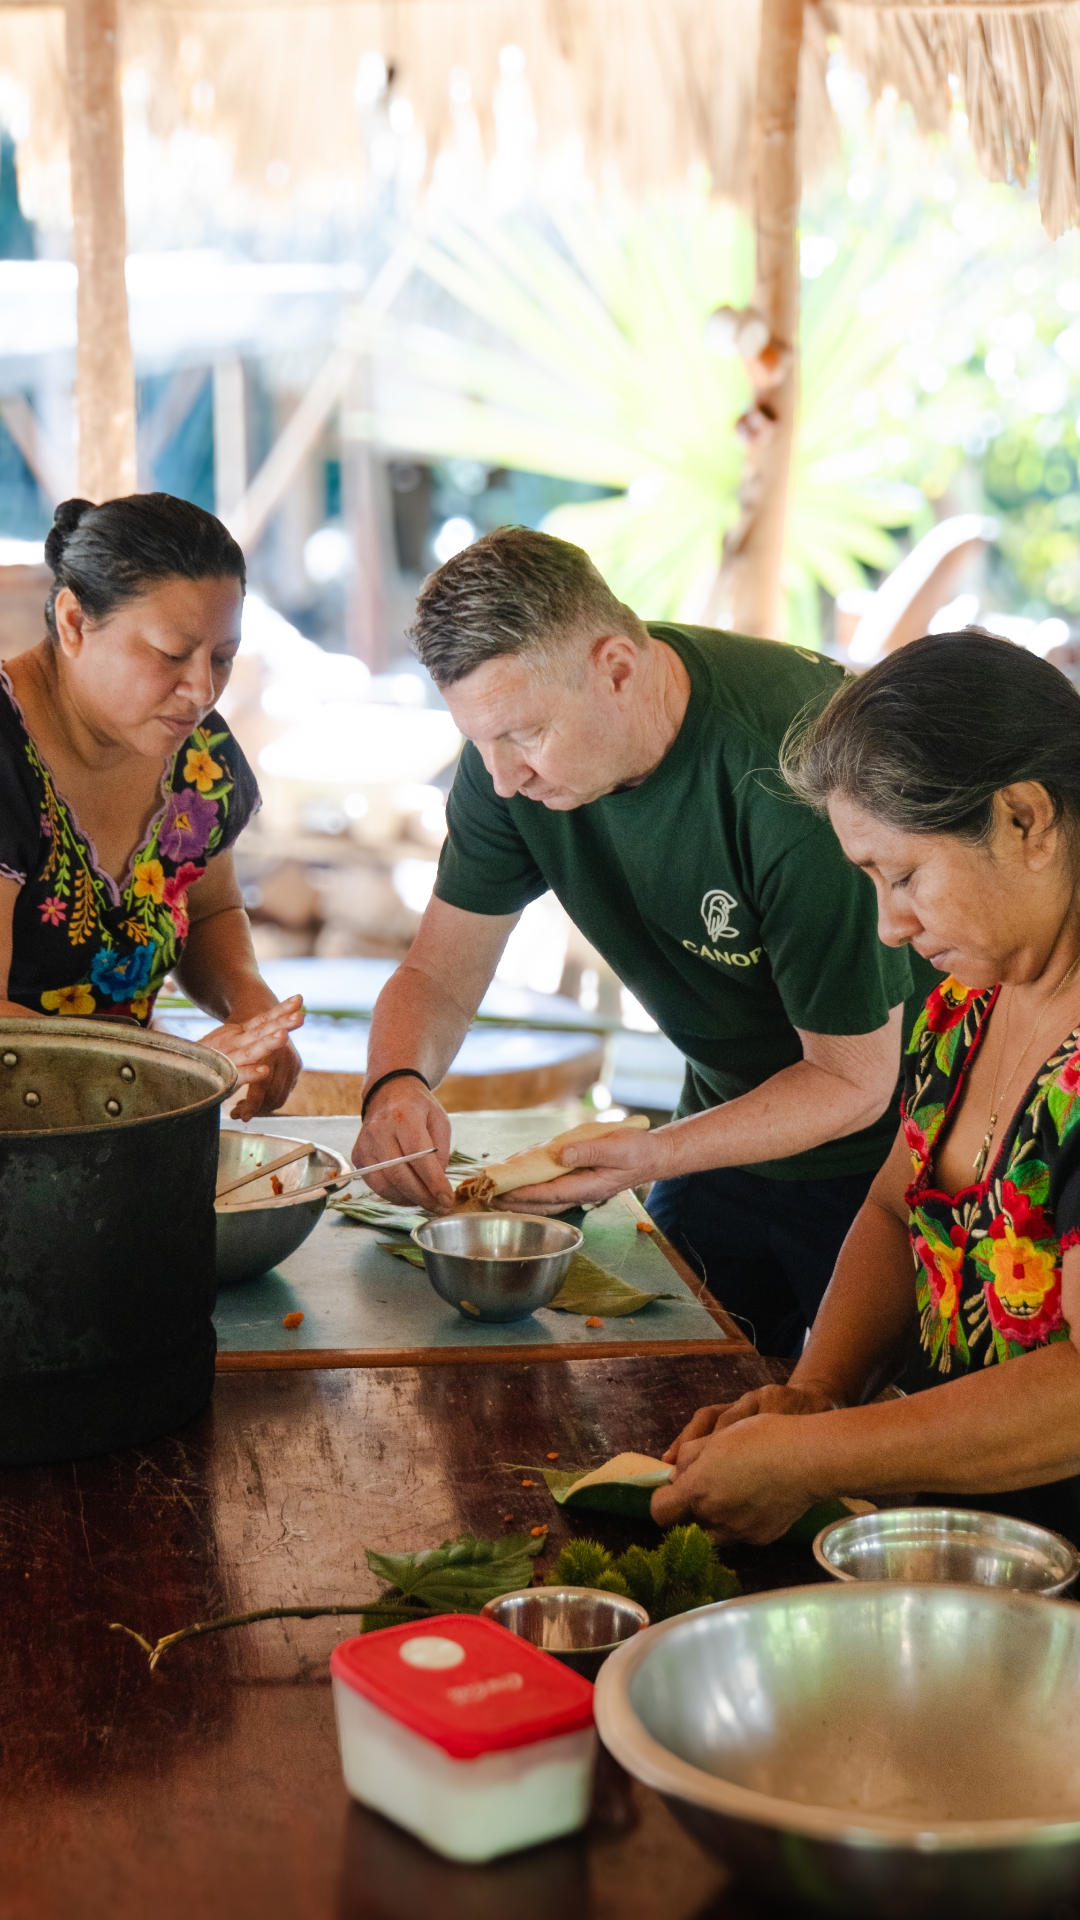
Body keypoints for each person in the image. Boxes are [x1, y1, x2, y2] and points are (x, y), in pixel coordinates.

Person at [355, 526, 935, 1353]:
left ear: (617, 669)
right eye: (480, 741)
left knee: (879, 1425)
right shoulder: (502, 765)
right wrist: (396, 1084)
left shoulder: (799, 776)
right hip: (724, 1119)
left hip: (901, 1152)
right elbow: (439, 973)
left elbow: (851, 1079)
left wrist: (649, 1156)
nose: (502, 777)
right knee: (662, 1386)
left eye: (523, 736)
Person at [653, 631, 1080, 1540]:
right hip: (950, 1548)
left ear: (1026, 820)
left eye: (907, 874)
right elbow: (897, 1209)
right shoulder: (966, 1004)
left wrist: (820, 1455)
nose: (890, 926)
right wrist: (815, 1394)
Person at [0, 493, 302, 1118]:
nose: (201, 690)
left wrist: (249, 1006)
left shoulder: (197, 755)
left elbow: (211, 908)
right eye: (170, 654)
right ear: (74, 623)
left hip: (111, 1135)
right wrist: (172, 1070)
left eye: (222, 658)